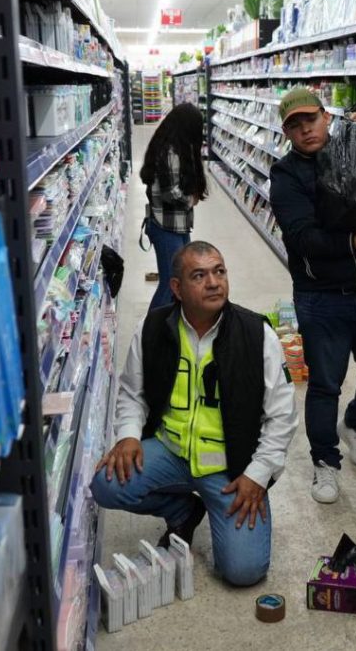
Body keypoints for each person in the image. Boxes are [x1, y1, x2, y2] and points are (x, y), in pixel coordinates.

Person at [90, 241, 297, 586]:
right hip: (171, 451)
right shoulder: (152, 328)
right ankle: (183, 510)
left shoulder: (257, 335)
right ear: (177, 288)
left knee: (244, 571)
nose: (213, 283)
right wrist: (128, 435)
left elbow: (283, 416)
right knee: (106, 484)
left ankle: (217, 511)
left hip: (230, 469)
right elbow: (132, 392)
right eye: (199, 276)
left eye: (219, 272)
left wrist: (257, 475)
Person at [268, 88, 356, 504]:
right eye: (295, 125)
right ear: (287, 133)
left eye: (311, 119)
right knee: (326, 385)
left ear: (327, 117)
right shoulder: (286, 175)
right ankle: (325, 462)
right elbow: (302, 238)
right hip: (321, 296)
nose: (305, 130)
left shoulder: (353, 150)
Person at [139, 103, 207, 309]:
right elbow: (170, 192)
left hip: (175, 224)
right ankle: (153, 326)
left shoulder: (174, 147)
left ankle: (168, 322)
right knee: (170, 283)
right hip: (166, 226)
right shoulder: (170, 152)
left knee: (180, 278)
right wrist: (190, 200)